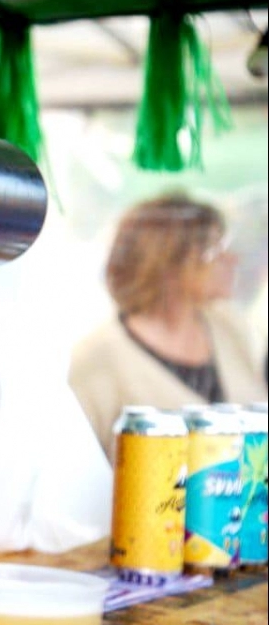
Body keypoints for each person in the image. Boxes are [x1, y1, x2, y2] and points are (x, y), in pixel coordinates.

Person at [70, 192, 269, 462]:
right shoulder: (97, 360)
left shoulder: (231, 328)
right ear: (171, 263)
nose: (231, 260)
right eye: (215, 250)